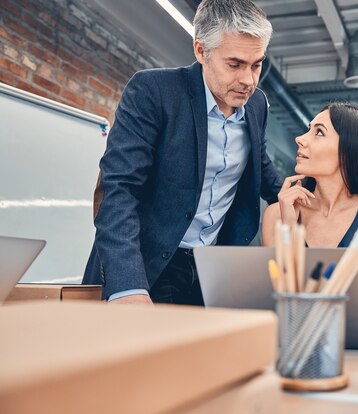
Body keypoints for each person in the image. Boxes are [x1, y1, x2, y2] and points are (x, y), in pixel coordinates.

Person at [82, 0, 282, 305]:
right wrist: (128, 286)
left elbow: (261, 168)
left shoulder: (256, 106)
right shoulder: (154, 92)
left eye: (257, 65)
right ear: (201, 51)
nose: (249, 81)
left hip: (211, 272)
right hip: (147, 266)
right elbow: (118, 190)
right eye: (235, 64)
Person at [262, 103, 358, 296]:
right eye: (309, 129)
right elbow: (283, 301)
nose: (299, 139)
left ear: (348, 150)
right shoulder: (277, 214)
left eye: (318, 133)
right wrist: (289, 230)